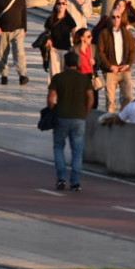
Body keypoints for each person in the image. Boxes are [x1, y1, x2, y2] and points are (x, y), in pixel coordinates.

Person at [47, 51, 94, 191]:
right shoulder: (84, 79)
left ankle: (61, 178)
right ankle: (75, 181)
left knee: (59, 147)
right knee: (77, 151)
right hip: (79, 117)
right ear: (77, 63)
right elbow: (91, 98)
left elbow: (50, 99)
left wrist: (53, 109)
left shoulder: (58, 78)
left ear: (64, 63)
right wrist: (86, 112)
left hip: (61, 116)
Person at [96, 5, 135, 113]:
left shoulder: (127, 33)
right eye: (113, 17)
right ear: (110, 18)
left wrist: (128, 64)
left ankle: (121, 116)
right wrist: (110, 66)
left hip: (124, 69)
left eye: (118, 17)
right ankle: (110, 120)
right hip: (110, 71)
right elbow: (100, 52)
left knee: (128, 97)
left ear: (121, 18)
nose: (116, 19)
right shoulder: (104, 34)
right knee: (110, 100)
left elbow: (133, 50)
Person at [45, 0, 77, 78]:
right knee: (54, 72)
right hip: (54, 49)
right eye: (59, 3)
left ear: (66, 6)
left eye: (63, 3)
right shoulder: (51, 19)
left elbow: (74, 33)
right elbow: (46, 32)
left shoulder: (69, 19)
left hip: (66, 48)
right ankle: (54, 88)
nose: (61, 5)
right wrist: (48, 39)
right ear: (56, 5)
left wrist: (75, 46)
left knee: (64, 71)